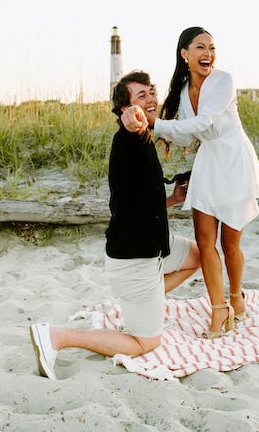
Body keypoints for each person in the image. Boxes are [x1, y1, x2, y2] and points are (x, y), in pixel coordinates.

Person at [29, 70, 201, 379]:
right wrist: (132, 120)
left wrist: (173, 200)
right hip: (134, 260)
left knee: (197, 257)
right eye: (140, 96)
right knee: (145, 341)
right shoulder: (129, 138)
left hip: (154, 247)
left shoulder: (145, 138)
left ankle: (147, 307)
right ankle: (58, 336)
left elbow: (139, 205)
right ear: (124, 108)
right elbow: (129, 123)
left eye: (151, 92)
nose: (149, 99)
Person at [122, 27, 259, 339]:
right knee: (205, 241)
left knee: (230, 243)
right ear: (185, 54)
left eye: (212, 48)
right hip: (209, 164)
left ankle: (237, 298)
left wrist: (156, 123)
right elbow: (189, 134)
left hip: (235, 161)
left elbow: (205, 122)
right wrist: (152, 129)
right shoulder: (184, 88)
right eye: (200, 47)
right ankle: (218, 310)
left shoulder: (222, 80)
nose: (208, 54)